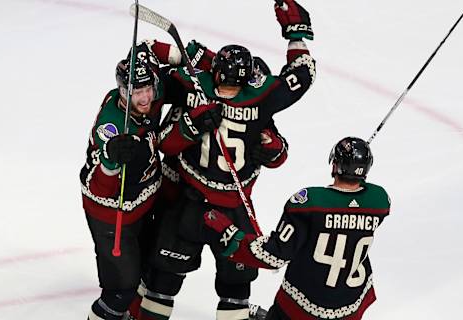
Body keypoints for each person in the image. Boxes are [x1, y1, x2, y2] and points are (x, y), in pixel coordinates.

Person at [137, 1, 317, 319]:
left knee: (166, 281)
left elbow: (154, 62)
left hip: (192, 205)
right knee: (233, 288)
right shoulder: (261, 97)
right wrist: (296, 33)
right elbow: (302, 75)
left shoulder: (195, 86)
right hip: (231, 207)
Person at [204, 137, 391, 320]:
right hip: (348, 306)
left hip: (302, 307)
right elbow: (357, 200)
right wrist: (355, 170)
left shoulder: (310, 203)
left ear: (334, 165)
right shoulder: (379, 201)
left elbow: (275, 256)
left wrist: (230, 234)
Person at [80, 39, 182, 320]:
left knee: (147, 270)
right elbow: (101, 185)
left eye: (148, 89)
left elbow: (144, 47)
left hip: (143, 206)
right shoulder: (112, 125)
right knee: (120, 290)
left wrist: (172, 54)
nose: (145, 98)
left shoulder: (151, 93)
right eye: (137, 92)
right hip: (111, 216)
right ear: (123, 91)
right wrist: (112, 158)